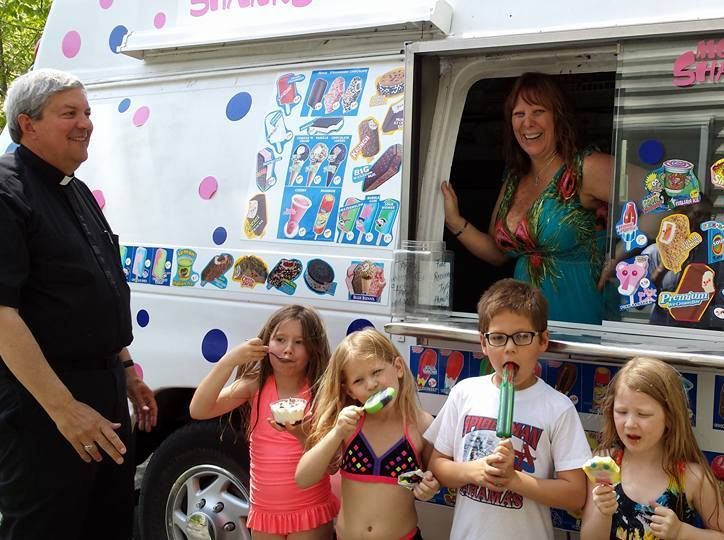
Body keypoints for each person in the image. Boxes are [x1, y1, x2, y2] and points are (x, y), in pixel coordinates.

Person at [0, 68, 158, 540]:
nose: (85, 123)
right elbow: (2, 315)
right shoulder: (8, 192)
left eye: (87, 112)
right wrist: (64, 409)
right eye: (69, 113)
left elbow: (95, 286)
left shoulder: (75, 188)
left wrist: (127, 370)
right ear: (27, 124)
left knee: (108, 521)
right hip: (43, 404)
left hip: (103, 388)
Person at [440, 72, 616, 324]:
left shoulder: (585, 168)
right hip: (525, 323)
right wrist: (454, 222)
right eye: (519, 114)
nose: (527, 123)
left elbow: (672, 193)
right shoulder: (515, 178)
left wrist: (625, 249)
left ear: (559, 116)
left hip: (580, 315)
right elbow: (498, 253)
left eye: (538, 112)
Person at [425, 278, 592, 539]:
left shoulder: (557, 408)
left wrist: (514, 480)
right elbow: (438, 464)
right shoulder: (465, 393)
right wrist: (475, 471)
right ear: (483, 343)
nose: (510, 348)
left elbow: (576, 494)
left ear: (543, 340)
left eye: (522, 336)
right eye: (498, 338)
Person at [189, 304, 339, 539]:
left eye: (299, 342)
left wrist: (302, 434)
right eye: (280, 339)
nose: (288, 350)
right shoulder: (255, 385)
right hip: (265, 514)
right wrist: (229, 361)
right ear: (266, 343)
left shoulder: (319, 391)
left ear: (313, 349)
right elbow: (199, 409)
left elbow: (331, 464)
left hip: (309, 510)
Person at [295, 328, 439, 540]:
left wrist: (429, 486)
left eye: (376, 372)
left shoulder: (421, 424)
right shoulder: (348, 426)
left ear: (398, 368)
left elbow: (434, 476)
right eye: (358, 381)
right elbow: (303, 478)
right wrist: (336, 433)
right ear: (350, 391)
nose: (371, 385)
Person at [580, 357, 724, 540]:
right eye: (622, 412)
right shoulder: (603, 463)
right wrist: (603, 513)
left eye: (643, 414)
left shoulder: (693, 478)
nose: (630, 423)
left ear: (669, 417)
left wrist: (682, 532)